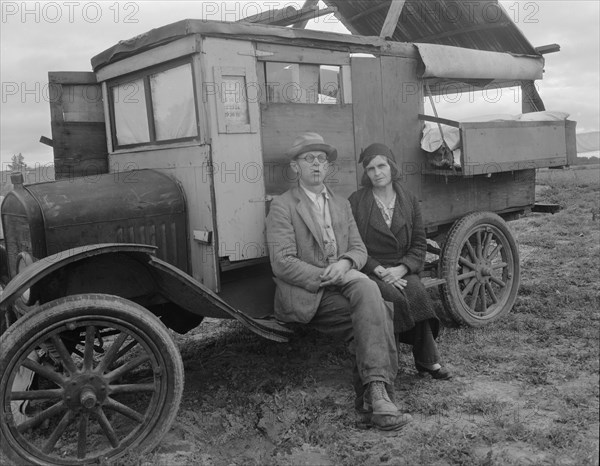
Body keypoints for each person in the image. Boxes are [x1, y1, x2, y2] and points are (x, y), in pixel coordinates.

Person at [266, 133, 412, 430]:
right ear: (296, 167)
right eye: (309, 159)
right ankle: (379, 398)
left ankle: (376, 397)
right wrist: (325, 274)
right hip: (309, 293)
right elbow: (282, 263)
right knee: (379, 309)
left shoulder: (342, 204)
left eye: (322, 159)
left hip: (344, 279)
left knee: (369, 291)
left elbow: (359, 250)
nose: (317, 165)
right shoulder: (282, 206)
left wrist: (345, 263)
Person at [348, 143, 451, 380]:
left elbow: (419, 243)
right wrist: (380, 270)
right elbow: (353, 244)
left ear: (392, 167)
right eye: (371, 168)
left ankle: (427, 360)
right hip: (371, 267)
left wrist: (403, 268)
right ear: (366, 173)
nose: (377, 172)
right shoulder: (357, 201)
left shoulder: (409, 200)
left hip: (402, 266)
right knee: (391, 298)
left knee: (416, 291)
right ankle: (386, 367)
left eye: (382, 165)